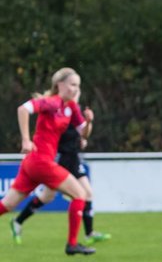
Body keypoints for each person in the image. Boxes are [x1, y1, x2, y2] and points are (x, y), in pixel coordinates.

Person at [0, 68, 97, 255]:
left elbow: (82, 132)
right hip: (40, 161)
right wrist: (26, 140)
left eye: (78, 85)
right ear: (59, 84)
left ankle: (73, 243)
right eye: (72, 84)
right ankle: (72, 244)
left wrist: (89, 122)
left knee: (8, 205)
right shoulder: (52, 103)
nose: (76, 89)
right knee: (80, 194)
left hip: (34, 163)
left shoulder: (71, 108)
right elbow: (23, 109)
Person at [10, 85, 110, 245]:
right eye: (73, 89)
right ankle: (19, 221)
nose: (75, 93)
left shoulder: (73, 112)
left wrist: (87, 127)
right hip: (62, 160)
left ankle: (88, 233)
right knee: (51, 196)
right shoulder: (59, 113)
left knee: (84, 193)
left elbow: (83, 132)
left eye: (77, 90)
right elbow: (56, 134)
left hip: (73, 159)